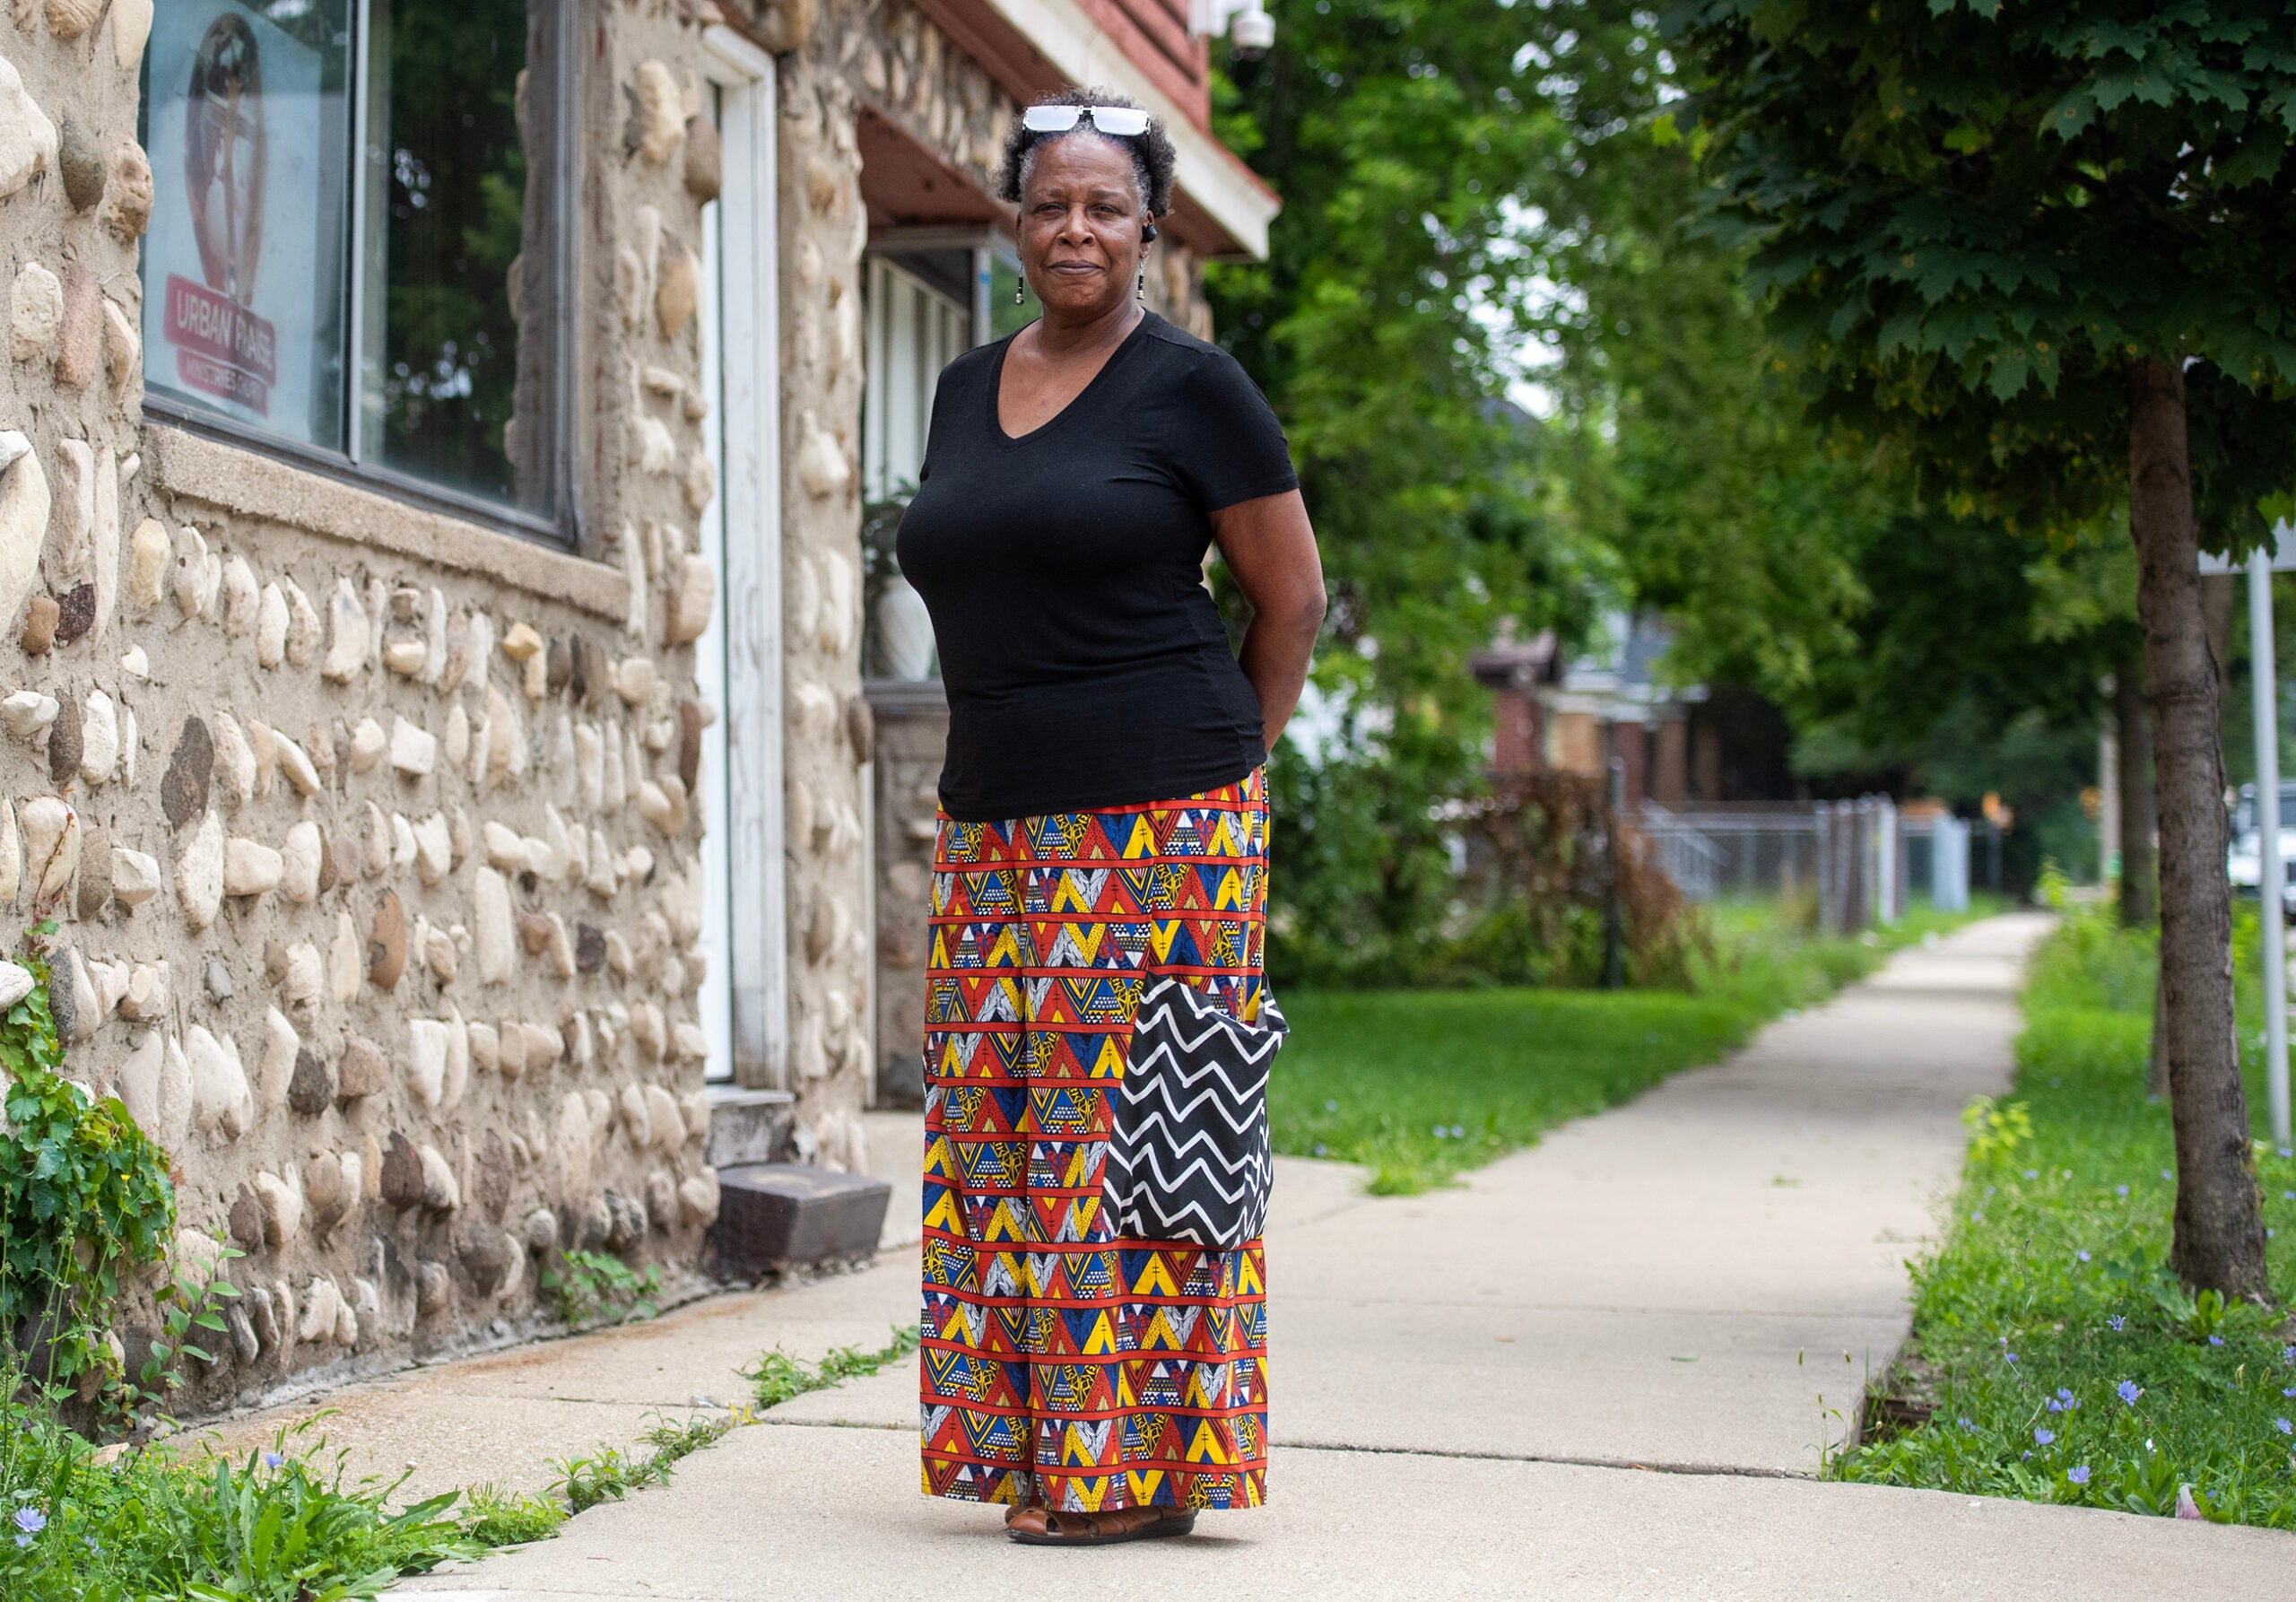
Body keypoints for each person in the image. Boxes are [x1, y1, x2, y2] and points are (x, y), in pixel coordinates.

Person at [899, 88, 1326, 1546]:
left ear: (1150, 227)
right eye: (1050, 202)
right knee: (999, 1140)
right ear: (1018, 221)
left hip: (1162, 826)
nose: (1075, 227)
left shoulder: (1195, 390)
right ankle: (1033, 1443)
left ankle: (1132, 1470)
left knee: (1128, 1142)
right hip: (995, 826)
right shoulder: (964, 389)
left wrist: (1226, 780)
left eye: (1105, 205)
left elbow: (1294, 598)